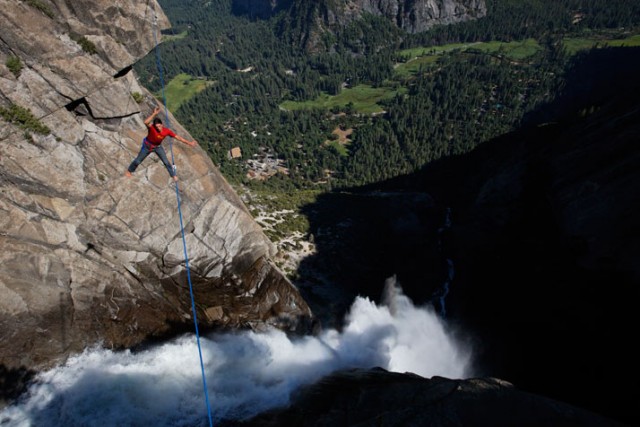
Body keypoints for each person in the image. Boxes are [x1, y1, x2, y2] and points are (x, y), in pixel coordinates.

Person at [125, 106, 197, 182]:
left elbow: (178, 137)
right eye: (157, 127)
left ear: (162, 124)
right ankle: (129, 171)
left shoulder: (167, 131)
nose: (158, 128)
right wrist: (154, 114)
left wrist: (189, 143)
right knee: (138, 161)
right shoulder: (152, 128)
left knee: (166, 162)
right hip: (147, 146)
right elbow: (145, 122)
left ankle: (173, 175)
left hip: (157, 147)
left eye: (159, 126)